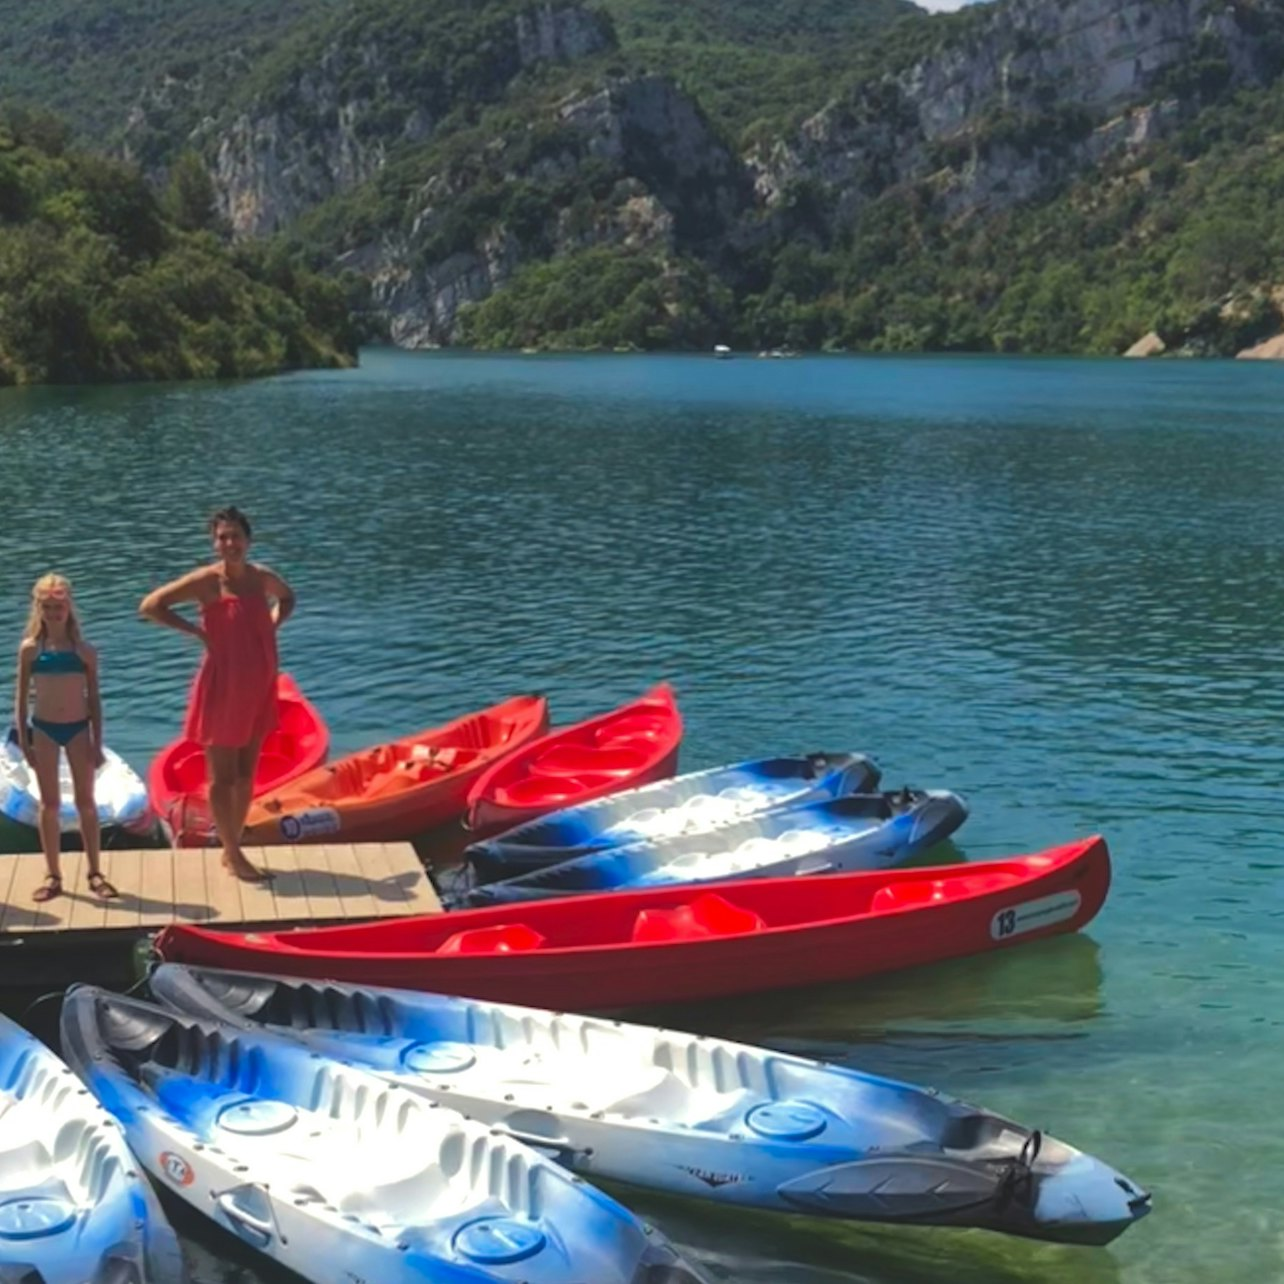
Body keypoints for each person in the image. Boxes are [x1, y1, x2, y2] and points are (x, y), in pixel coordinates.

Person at [139, 506, 295, 882]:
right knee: (222, 778)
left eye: (236, 536)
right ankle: (232, 852)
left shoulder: (262, 578)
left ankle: (233, 845)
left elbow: (288, 598)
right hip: (223, 686)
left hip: (259, 685)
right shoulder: (207, 582)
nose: (230, 544)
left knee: (246, 776)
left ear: (248, 540)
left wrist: (271, 625)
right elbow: (151, 606)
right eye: (222, 537)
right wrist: (195, 631)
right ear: (215, 542)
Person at [13, 573, 117, 902]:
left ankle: (95, 872)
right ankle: (53, 874)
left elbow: (95, 699)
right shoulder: (30, 650)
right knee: (50, 804)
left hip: (77, 729)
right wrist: (25, 740)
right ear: (39, 609)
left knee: (86, 802)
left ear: (68, 608)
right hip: (43, 727)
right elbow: (19, 698)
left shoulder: (84, 651)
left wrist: (97, 741)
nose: (54, 613)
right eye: (48, 607)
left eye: (59, 607)